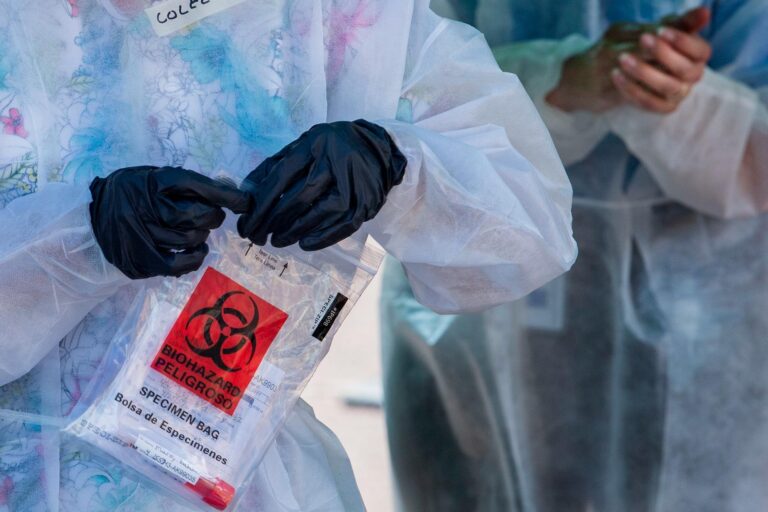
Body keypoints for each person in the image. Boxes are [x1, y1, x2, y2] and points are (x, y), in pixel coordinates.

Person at [0, 0, 577, 510]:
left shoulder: (335, 16)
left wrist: (396, 163)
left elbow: (530, 229)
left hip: (238, 482)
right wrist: (77, 238)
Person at [382, 1, 768, 511]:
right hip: (479, 311)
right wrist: (565, 79)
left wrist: (690, 104)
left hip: (705, 324)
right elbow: (397, 96)